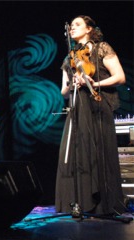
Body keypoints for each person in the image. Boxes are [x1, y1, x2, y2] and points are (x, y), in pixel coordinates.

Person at [55, 15, 127, 215]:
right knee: (77, 154)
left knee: (99, 152)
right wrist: (73, 84)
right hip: (78, 107)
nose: (72, 29)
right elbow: (63, 91)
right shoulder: (69, 57)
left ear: (89, 29)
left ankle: (103, 203)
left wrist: (94, 83)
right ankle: (79, 202)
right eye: (71, 26)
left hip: (97, 106)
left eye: (77, 25)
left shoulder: (102, 48)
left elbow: (120, 76)